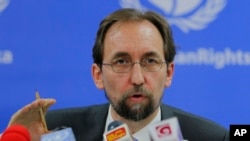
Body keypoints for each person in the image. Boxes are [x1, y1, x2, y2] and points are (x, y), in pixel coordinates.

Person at [3, 8, 229, 141]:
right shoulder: (53, 131)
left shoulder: (212, 137)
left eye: (150, 61)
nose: (138, 78)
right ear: (98, 75)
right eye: (122, 62)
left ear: (169, 73)